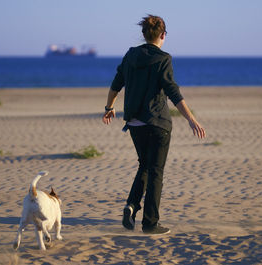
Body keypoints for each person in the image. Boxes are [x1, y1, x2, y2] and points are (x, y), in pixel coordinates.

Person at [102, 15, 206, 234]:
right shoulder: (163, 58)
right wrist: (191, 119)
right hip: (158, 123)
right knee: (156, 171)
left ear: (143, 34)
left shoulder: (131, 55)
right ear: (163, 35)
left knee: (145, 166)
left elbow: (116, 84)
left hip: (135, 124)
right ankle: (150, 223)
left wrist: (109, 108)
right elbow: (173, 92)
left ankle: (131, 205)